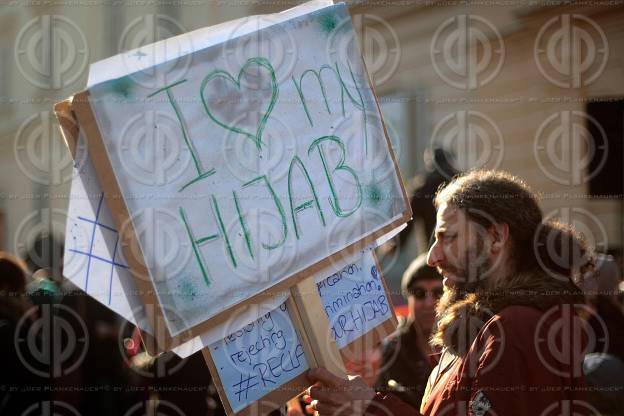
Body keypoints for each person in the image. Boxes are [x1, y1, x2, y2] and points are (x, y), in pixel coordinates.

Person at [305, 170, 593, 415]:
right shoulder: (482, 329)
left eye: (448, 237)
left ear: (495, 237)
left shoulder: (517, 328)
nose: (432, 256)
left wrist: (369, 407)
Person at [375, 253, 442, 408]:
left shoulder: (467, 349)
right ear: (407, 299)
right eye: (419, 293)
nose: (429, 303)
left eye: (439, 293)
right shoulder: (387, 353)